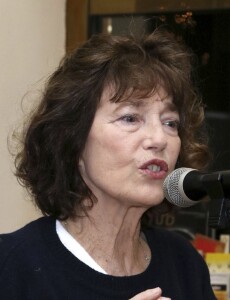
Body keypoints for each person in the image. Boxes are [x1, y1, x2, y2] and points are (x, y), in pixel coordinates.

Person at [0, 29, 216, 299]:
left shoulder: (184, 264)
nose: (160, 139)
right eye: (130, 118)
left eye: (170, 123)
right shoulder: (11, 267)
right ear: (73, 140)